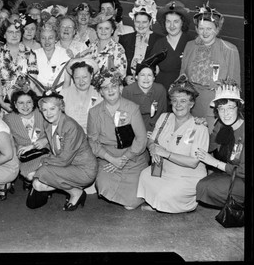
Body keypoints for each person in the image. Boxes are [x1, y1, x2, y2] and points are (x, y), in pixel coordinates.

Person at [137, 74, 209, 213]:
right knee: (144, 176)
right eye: (174, 100)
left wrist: (165, 153)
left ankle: (184, 203)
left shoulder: (199, 127)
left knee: (164, 195)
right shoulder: (164, 118)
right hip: (164, 170)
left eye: (183, 101)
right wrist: (152, 148)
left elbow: (193, 162)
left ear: (191, 104)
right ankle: (159, 201)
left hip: (187, 176)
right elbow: (151, 140)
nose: (178, 105)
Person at [87, 68, 148, 210]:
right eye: (105, 88)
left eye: (114, 86)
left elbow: (141, 139)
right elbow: (93, 142)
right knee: (103, 187)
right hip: (108, 159)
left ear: (120, 87)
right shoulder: (94, 112)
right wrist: (111, 159)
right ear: (100, 92)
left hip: (133, 157)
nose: (110, 90)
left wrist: (125, 158)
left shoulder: (132, 108)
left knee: (132, 203)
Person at [180, 2, 241, 134]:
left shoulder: (230, 49)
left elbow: (235, 85)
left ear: (217, 29)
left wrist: (226, 110)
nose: (205, 32)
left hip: (215, 106)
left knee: (212, 142)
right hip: (191, 104)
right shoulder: (190, 46)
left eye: (209, 28)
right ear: (196, 29)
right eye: (201, 28)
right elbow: (182, 76)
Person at [30, 92, 98, 210]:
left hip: (84, 169)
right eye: (44, 110)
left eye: (52, 108)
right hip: (67, 165)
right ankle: (75, 190)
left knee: (42, 173)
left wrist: (43, 163)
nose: (48, 113)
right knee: (38, 184)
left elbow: (64, 159)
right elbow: (55, 148)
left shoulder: (70, 126)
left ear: (61, 107)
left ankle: (76, 193)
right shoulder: (48, 124)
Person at [196, 79, 245, 209]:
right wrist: (200, 128)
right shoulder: (220, 125)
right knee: (201, 185)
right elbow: (209, 146)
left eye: (230, 107)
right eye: (221, 109)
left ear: (238, 108)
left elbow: (244, 170)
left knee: (210, 188)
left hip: (243, 176)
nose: (226, 113)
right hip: (230, 172)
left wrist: (215, 163)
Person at [3, 90, 49, 190]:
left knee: (44, 170)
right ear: (15, 104)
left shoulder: (43, 113)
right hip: (27, 154)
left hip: (46, 148)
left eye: (29, 102)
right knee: (31, 175)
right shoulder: (8, 119)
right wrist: (17, 146)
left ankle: (42, 186)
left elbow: (57, 130)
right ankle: (31, 181)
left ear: (33, 103)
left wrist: (45, 140)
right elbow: (8, 140)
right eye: (21, 103)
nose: (25, 106)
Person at [0, 18, 39, 110]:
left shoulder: (30, 53)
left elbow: (33, 82)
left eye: (17, 32)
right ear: (4, 35)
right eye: (10, 32)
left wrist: (22, 100)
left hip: (25, 101)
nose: (14, 35)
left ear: (21, 34)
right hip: (5, 103)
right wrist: (2, 103)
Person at [149, 1, 195, 92]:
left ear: (182, 22)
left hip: (185, 95)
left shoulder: (191, 42)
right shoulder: (159, 44)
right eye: (168, 21)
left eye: (176, 21)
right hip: (162, 92)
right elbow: (150, 68)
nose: (172, 25)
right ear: (164, 23)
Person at [119, 0, 163, 86]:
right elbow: (120, 65)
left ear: (150, 22)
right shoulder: (124, 39)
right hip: (130, 86)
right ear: (134, 21)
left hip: (150, 85)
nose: (140, 25)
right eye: (138, 22)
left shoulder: (160, 40)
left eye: (144, 22)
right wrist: (125, 78)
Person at [122, 51, 168, 134]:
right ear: (136, 77)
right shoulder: (128, 91)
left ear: (154, 78)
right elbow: (125, 116)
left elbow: (162, 114)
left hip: (153, 129)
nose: (146, 79)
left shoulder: (160, 90)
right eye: (142, 75)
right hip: (133, 129)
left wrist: (153, 131)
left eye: (149, 75)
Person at [62, 57, 102, 134]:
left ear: (91, 75)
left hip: (93, 137)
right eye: (77, 78)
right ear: (73, 78)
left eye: (84, 77)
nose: (81, 81)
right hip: (70, 136)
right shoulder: (64, 94)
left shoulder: (99, 94)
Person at [33, 24, 71, 92]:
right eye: (43, 38)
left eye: (50, 38)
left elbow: (67, 81)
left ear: (56, 39)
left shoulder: (65, 54)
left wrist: (61, 98)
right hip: (39, 93)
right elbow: (33, 83)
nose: (47, 41)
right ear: (39, 39)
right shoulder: (34, 54)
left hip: (60, 93)